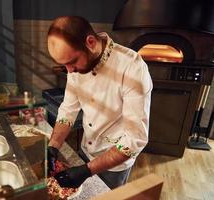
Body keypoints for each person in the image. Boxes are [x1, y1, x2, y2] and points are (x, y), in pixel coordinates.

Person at [46, 16, 153, 189]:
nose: (70, 70)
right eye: (64, 65)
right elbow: (68, 110)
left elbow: (136, 138)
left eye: (72, 62)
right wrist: (53, 146)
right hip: (86, 150)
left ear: (90, 42)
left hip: (114, 164)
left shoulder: (133, 67)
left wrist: (87, 170)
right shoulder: (75, 67)